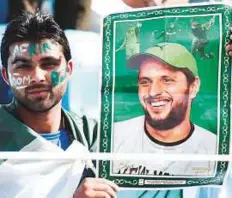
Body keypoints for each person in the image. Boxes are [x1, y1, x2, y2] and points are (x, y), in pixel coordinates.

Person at [0, 11, 119, 198]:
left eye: (49, 64)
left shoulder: (96, 137)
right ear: (6, 75)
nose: (37, 77)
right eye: (23, 66)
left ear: (69, 69)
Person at [113, 42, 217, 176]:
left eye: (167, 80)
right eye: (145, 82)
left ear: (193, 87)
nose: (152, 92)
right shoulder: (114, 137)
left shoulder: (215, 148)